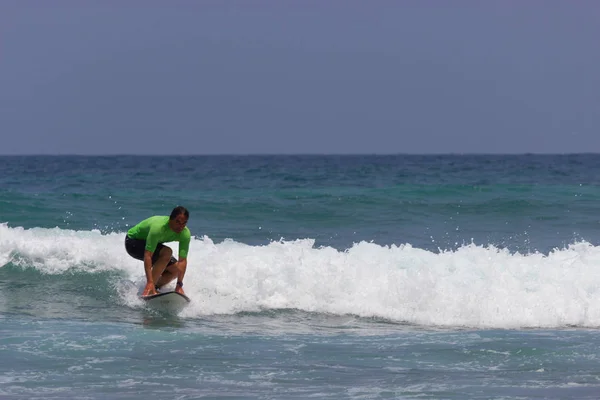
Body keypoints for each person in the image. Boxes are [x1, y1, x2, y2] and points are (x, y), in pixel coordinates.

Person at [125, 206, 191, 297]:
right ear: (170, 219)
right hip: (133, 242)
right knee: (167, 252)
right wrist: (149, 281)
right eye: (178, 222)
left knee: (175, 269)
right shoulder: (158, 228)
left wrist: (179, 284)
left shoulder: (185, 233)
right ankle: (150, 287)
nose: (180, 226)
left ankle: (154, 287)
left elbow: (182, 261)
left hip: (150, 243)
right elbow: (148, 255)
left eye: (184, 223)